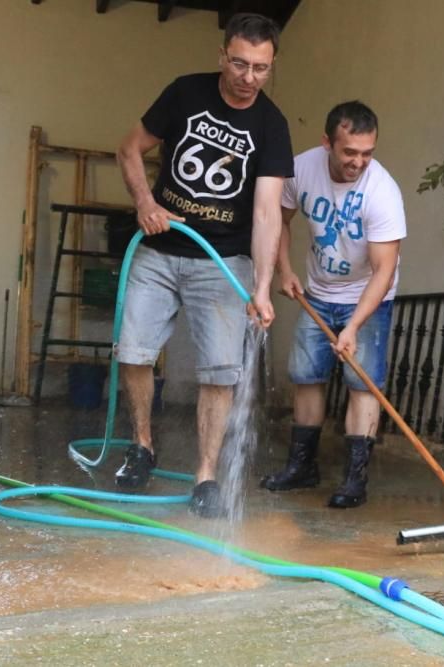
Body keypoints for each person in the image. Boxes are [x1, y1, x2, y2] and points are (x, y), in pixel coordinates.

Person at [114, 13, 294, 518]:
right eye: (239, 63)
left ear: (271, 65)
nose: (248, 77)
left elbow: (266, 213)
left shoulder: (272, 126)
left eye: (261, 68)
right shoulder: (184, 93)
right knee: (133, 352)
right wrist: (145, 203)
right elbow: (129, 149)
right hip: (159, 250)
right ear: (222, 56)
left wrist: (261, 287)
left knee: (220, 372)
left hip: (223, 261)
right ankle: (143, 447)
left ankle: (207, 476)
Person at [261, 101, 406, 509]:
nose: (358, 162)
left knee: (364, 385)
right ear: (327, 142)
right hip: (318, 293)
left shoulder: (383, 192)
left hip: (368, 298)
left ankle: (354, 481)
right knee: (306, 376)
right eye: (349, 152)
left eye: (367, 153)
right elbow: (279, 220)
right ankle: (302, 468)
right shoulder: (302, 168)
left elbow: (383, 271)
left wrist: (354, 326)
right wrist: (283, 269)